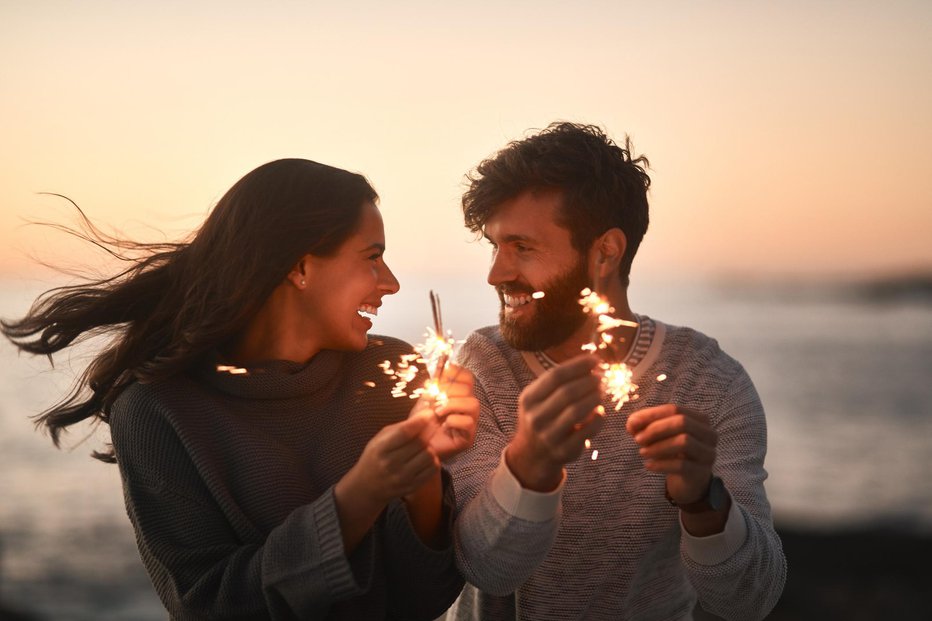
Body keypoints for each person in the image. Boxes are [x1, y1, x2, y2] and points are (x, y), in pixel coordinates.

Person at [2, 159, 479, 620]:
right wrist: (360, 494)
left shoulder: (394, 372)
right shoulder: (157, 409)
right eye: (372, 257)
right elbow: (207, 605)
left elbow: (424, 600)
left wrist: (421, 482)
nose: (391, 283)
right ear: (300, 267)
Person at [444, 123, 786, 620]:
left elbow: (751, 600)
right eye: (495, 246)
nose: (496, 273)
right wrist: (529, 465)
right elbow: (488, 570)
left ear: (606, 251)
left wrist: (701, 500)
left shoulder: (706, 380)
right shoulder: (483, 366)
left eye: (522, 247)